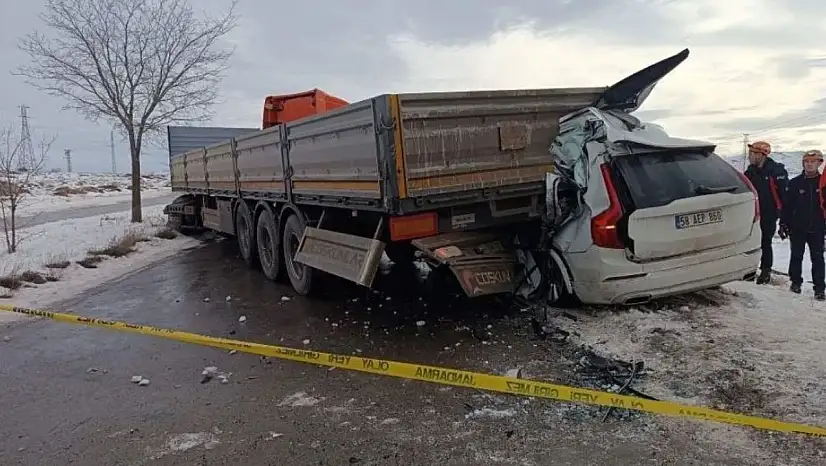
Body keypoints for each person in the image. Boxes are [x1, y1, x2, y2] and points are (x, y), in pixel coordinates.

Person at [779, 149, 826, 300]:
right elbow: (786, 206)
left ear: (819, 163)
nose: (810, 165)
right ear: (803, 163)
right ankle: (795, 283)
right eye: (807, 162)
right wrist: (783, 223)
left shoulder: (823, 184)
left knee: (818, 258)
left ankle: (819, 289)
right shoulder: (794, 183)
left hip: (818, 228)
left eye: (813, 162)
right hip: (797, 227)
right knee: (796, 256)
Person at [744, 141, 788, 285]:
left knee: (765, 242)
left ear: (760, 155)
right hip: (752, 213)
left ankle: (765, 270)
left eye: (752, 154)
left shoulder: (776, 171)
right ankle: (748, 270)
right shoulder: (750, 172)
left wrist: (784, 219)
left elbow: (784, 195)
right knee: (749, 242)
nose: (750, 156)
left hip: (769, 213)